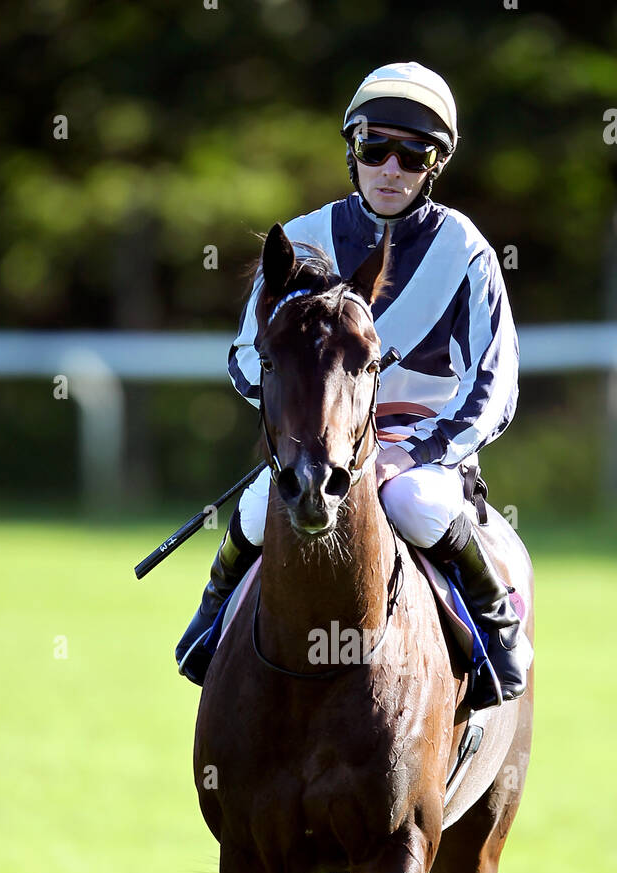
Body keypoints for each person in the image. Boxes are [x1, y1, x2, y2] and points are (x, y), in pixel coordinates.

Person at [176, 61, 526, 706]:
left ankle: (499, 635)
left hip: (421, 448)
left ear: (434, 165)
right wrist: (301, 430)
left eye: (413, 156)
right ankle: (210, 621)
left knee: (416, 505)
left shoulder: (467, 250)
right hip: (320, 441)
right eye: (376, 149)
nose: (391, 168)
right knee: (259, 508)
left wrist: (411, 453)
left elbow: (495, 384)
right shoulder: (302, 238)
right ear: (354, 151)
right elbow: (246, 358)